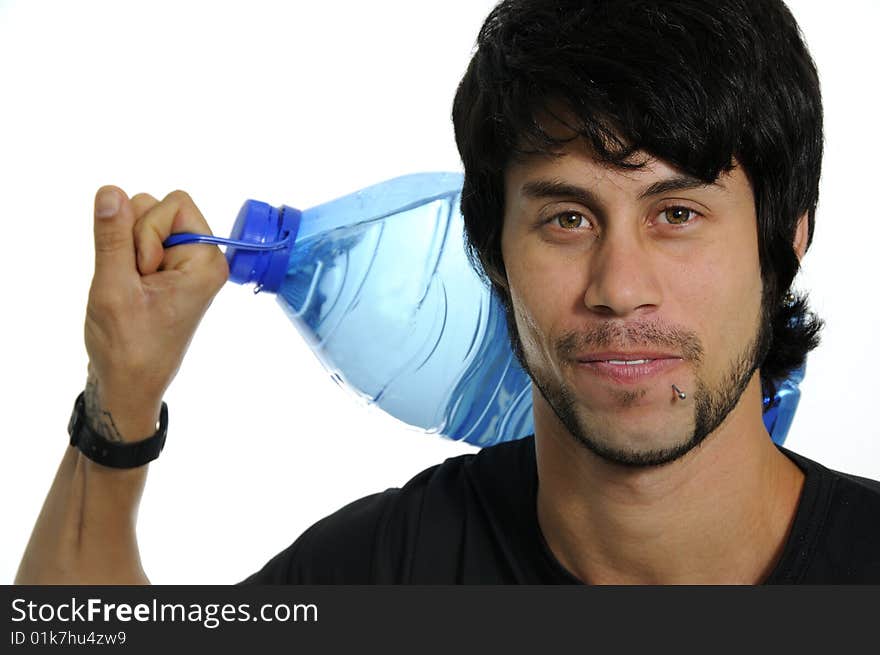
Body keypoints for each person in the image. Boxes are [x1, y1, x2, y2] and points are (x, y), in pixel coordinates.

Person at [16, 0, 880, 585]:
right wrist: (120, 398)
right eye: (568, 219)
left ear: (786, 235)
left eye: (678, 212)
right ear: (490, 249)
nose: (620, 288)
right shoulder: (386, 570)